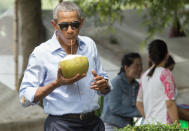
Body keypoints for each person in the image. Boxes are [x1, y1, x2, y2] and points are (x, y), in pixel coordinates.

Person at [19, 1, 111, 131]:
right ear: (54, 25)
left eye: (75, 25)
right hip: (60, 125)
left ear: (82, 22)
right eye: (63, 26)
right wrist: (57, 83)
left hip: (92, 123)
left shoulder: (89, 45)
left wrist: (104, 85)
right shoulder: (41, 53)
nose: (70, 31)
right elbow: (24, 97)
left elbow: (103, 81)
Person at [136, 39, 179, 125]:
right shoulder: (166, 74)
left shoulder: (144, 76)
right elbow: (170, 103)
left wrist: (149, 119)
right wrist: (177, 126)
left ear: (150, 57)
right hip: (164, 125)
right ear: (167, 54)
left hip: (148, 125)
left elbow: (139, 103)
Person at [101, 52, 143, 130]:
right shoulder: (116, 82)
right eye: (137, 66)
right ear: (126, 68)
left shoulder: (137, 85)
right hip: (111, 126)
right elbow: (114, 107)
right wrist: (140, 112)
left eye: (141, 65)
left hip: (126, 127)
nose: (140, 68)